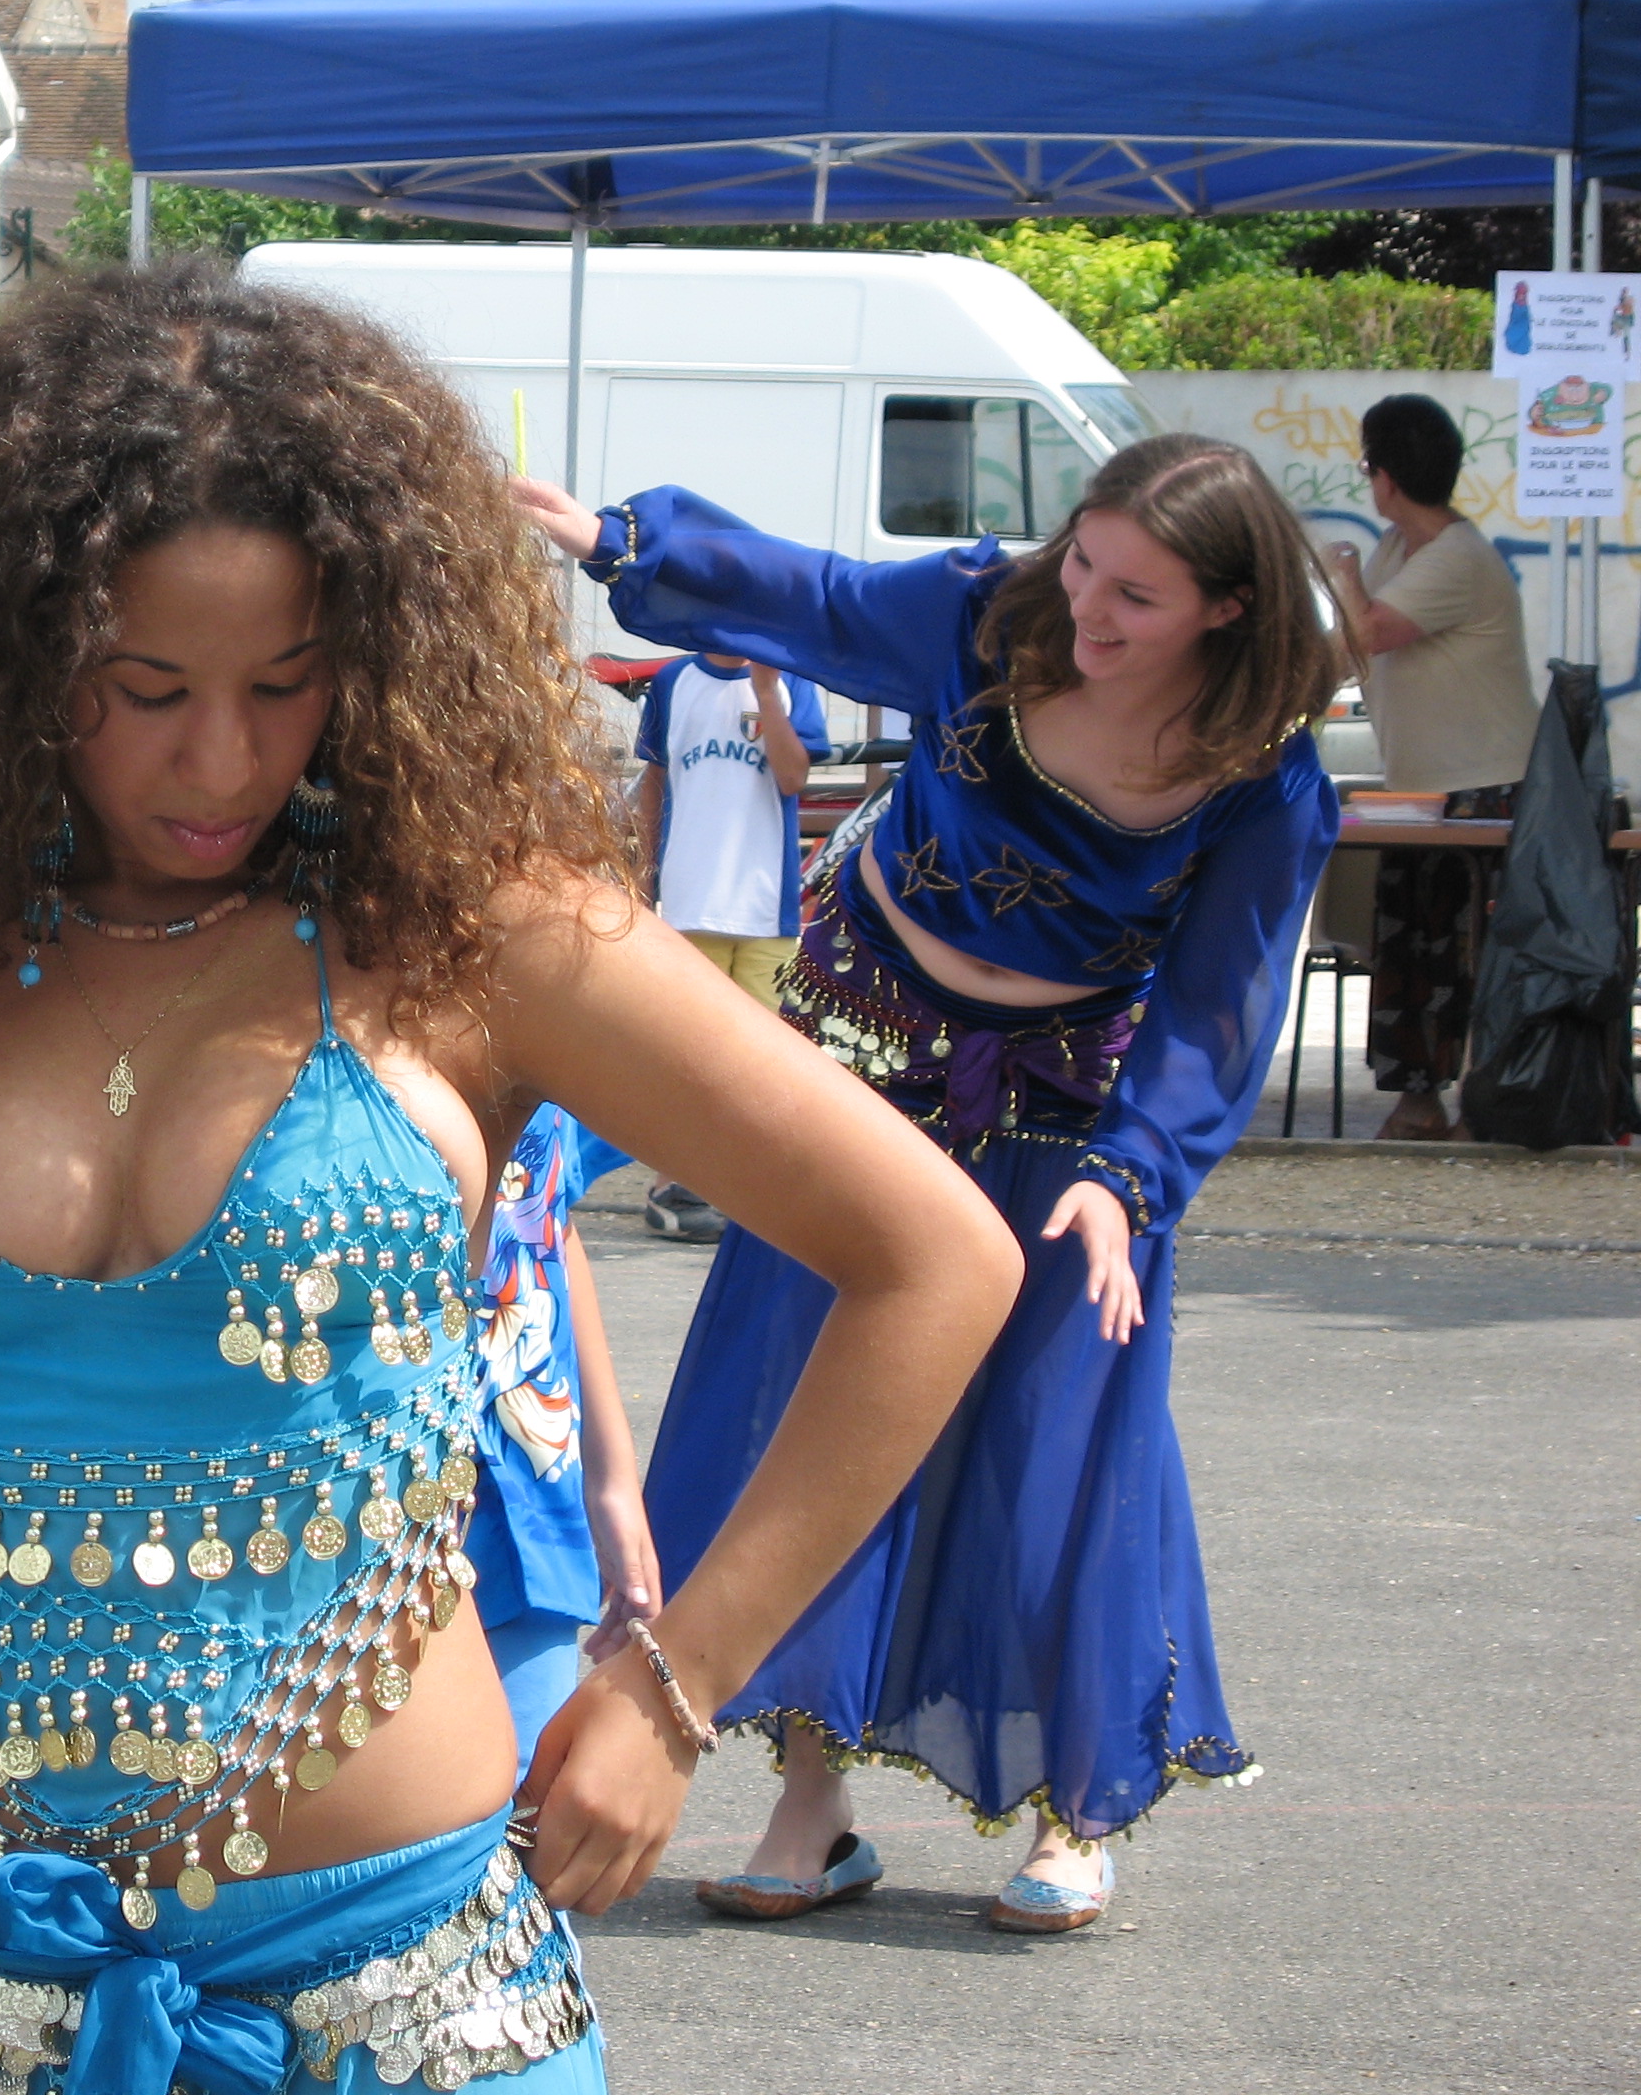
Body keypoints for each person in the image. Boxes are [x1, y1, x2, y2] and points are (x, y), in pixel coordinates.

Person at [0, 262, 1023, 2093]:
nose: (223, 756)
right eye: (146, 688)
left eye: (285, 682)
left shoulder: (478, 938)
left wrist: (680, 1682)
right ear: (12, 655)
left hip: (408, 2007)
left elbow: (933, 1257)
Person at [518, 432, 1345, 1935]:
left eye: (1136, 596)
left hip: (1070, 1119)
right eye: (1084, 562)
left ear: (1227, 609)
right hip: (864, 1048)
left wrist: (1130, 1180)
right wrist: (625, 540)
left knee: (1057, 1441)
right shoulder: (990, 618)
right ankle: (810, 1804)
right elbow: (820, 599)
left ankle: (1074, 1808)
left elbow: (1217, 1010)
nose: (1087, 609)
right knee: (806, 1401)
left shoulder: (1262, 782)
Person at [1324, 393, 1538, 1141]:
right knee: (1411, 946)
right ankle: (1418, 1101)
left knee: (1472, 954)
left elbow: (1368, 631)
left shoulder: (1457, 558)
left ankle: (1489, 1100)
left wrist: (1340, 568)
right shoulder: (1398, 550)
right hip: (1418, 791)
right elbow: (1345, 647)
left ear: (1384, 476)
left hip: (1486, 788)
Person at [472, 1106, 659, 1780]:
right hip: (320, 1506)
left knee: (524, 1795)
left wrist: (611, 1478)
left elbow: (547, 1214)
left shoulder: (535, 1043)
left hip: (524, 1495)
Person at [627, 649, 830, 1241]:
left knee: (767, 1060)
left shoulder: (792, 678)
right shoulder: (674, 681)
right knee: (690, 1058)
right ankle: (672, 1184)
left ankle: (751, 1188)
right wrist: (641, 878)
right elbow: (655, 783)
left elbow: (793, 777)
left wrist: (766, 693)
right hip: (690, 901)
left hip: (767, 907)